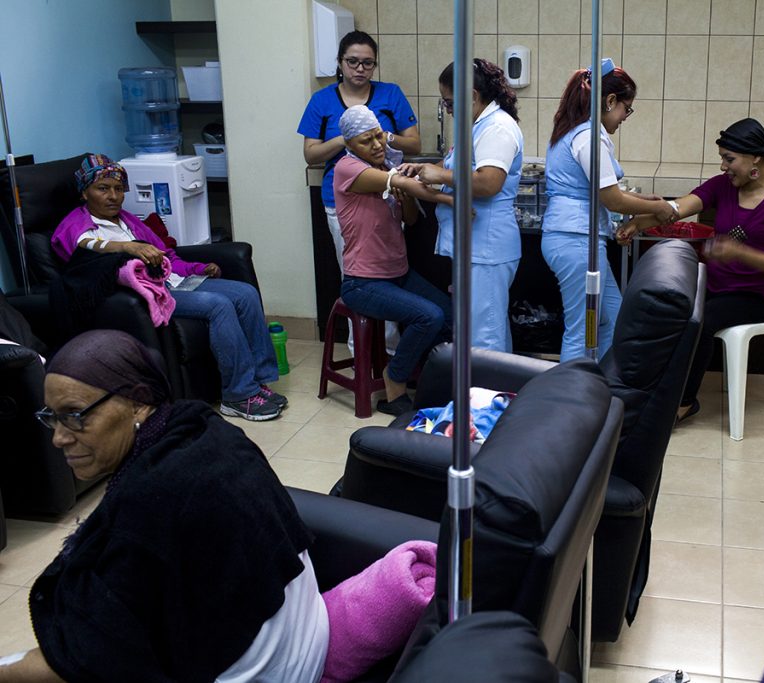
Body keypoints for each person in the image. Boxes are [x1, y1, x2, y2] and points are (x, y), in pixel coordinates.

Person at [0, 330, 326, 681]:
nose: (59, 437)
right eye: (51, 416)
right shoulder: (205, 428)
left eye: (75, 415)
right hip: (311, 647)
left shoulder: (150, 506)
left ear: (138, 401)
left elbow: (83, 662)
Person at [50, 154, 286, 421]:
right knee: (219, 305)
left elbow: (167, 257)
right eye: (102, 188)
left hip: (175, 281)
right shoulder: (75, 224)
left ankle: (259, 381)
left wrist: (198, 268)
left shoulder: (128, 220)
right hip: (152, 293)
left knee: (245, 293)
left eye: (118, 189)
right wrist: (128, 247)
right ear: (84, 193)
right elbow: (85, 247)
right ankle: (238, 396)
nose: (113, 196)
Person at [617, 118, 764, 423]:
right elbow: (677, 209)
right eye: (722, 158)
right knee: (668, 310)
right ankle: (651, 392)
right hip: (716, 285)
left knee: (701, 321)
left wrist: (739, 252)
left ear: (755, 157)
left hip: (756, 297)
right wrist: (638, 223)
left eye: (729, 159)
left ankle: (685, 403)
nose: (722, 167)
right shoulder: (724, 187)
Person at [542, 59, 677, 360]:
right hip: (575, 240)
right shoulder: (587, 137)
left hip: (578, 238)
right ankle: (570, 404)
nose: (625, 117)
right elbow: (612, 199)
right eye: (626, 109)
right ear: (610, 100)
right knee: (581, 331)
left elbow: (595, 190)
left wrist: (647, 202)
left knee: (611, 321)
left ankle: (602, 392)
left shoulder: (577, 131)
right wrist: (658, 209)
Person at [333, 105, 454, 415]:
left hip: (397, 273)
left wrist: (407, 198)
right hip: (363, 283)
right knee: (428, 316)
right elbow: (403, 182)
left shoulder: (388, 167)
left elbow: (411, 219)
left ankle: (418, 373)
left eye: (378, 137)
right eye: (365, 140)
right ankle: (395, 378)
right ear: (349, 144)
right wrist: (456, 198)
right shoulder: (348, 169)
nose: (376, 145)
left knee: (450, 314)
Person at [398, 58, 524, 352]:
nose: (449, 111)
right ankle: (494, 395)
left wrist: (440, 175)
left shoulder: (497, 128)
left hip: (488, 248)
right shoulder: (477, 126)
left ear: (473, 96)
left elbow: (488, 182)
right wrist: (426, 168)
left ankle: (486, 397)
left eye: (450, 103)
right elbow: (458, 164)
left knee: (484, 339)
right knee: (485, 329)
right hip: (475, 247)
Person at [297, 30, 420, 274]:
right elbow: (311, 155)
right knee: (355, 272)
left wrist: (386, 137)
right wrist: (347, 139)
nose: (359, 68)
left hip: (388, 195)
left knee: (389, 269)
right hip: (341, 199)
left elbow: (414, 144)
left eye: (367, 63)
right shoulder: (321, 100)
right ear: (340, 63)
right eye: (352, 61)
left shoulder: (390, 93)